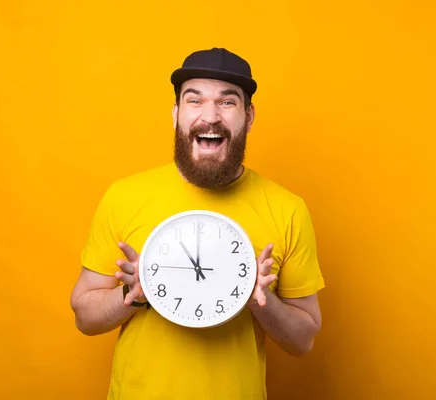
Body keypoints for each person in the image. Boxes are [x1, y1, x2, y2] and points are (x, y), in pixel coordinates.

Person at [70, 47, 325, 400]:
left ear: (249, 116)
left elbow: (303, 340)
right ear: (176, 113)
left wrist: (260, 299)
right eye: (194, 100)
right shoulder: (124, 196)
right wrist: (133, 294)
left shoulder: (287, 209)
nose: (210, 116)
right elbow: (84, 316)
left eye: (227, 102)